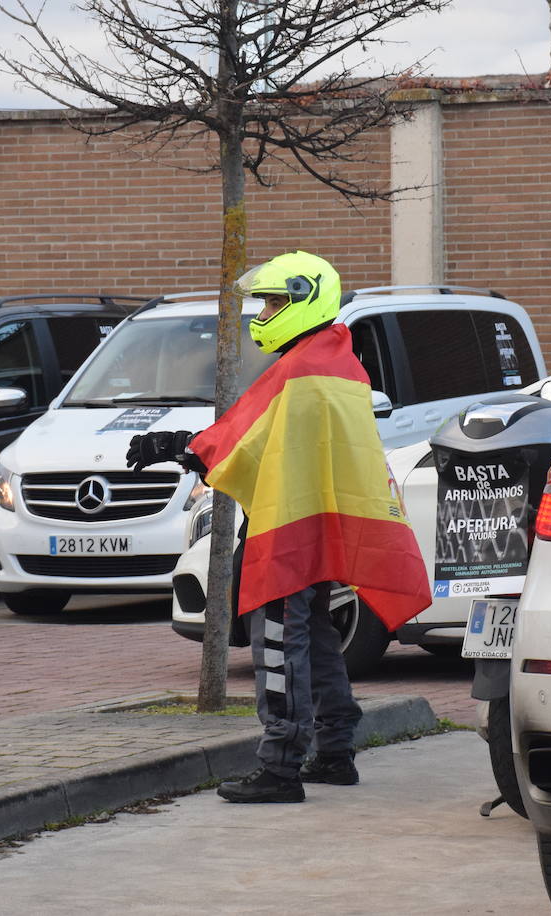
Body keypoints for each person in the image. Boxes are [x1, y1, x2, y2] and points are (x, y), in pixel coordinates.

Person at [127, 251, 431, 803]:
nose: (263, 312)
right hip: (323, 525)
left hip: (289, 530)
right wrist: (190, 448)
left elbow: (245, 443)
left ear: (302, 300)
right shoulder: (340, 361)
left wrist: (178, 446)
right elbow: (265, 441)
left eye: (272, 301)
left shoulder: (302, 370)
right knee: (316, 640)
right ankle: (335, 751)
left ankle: (281, 765)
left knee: (277, 643)